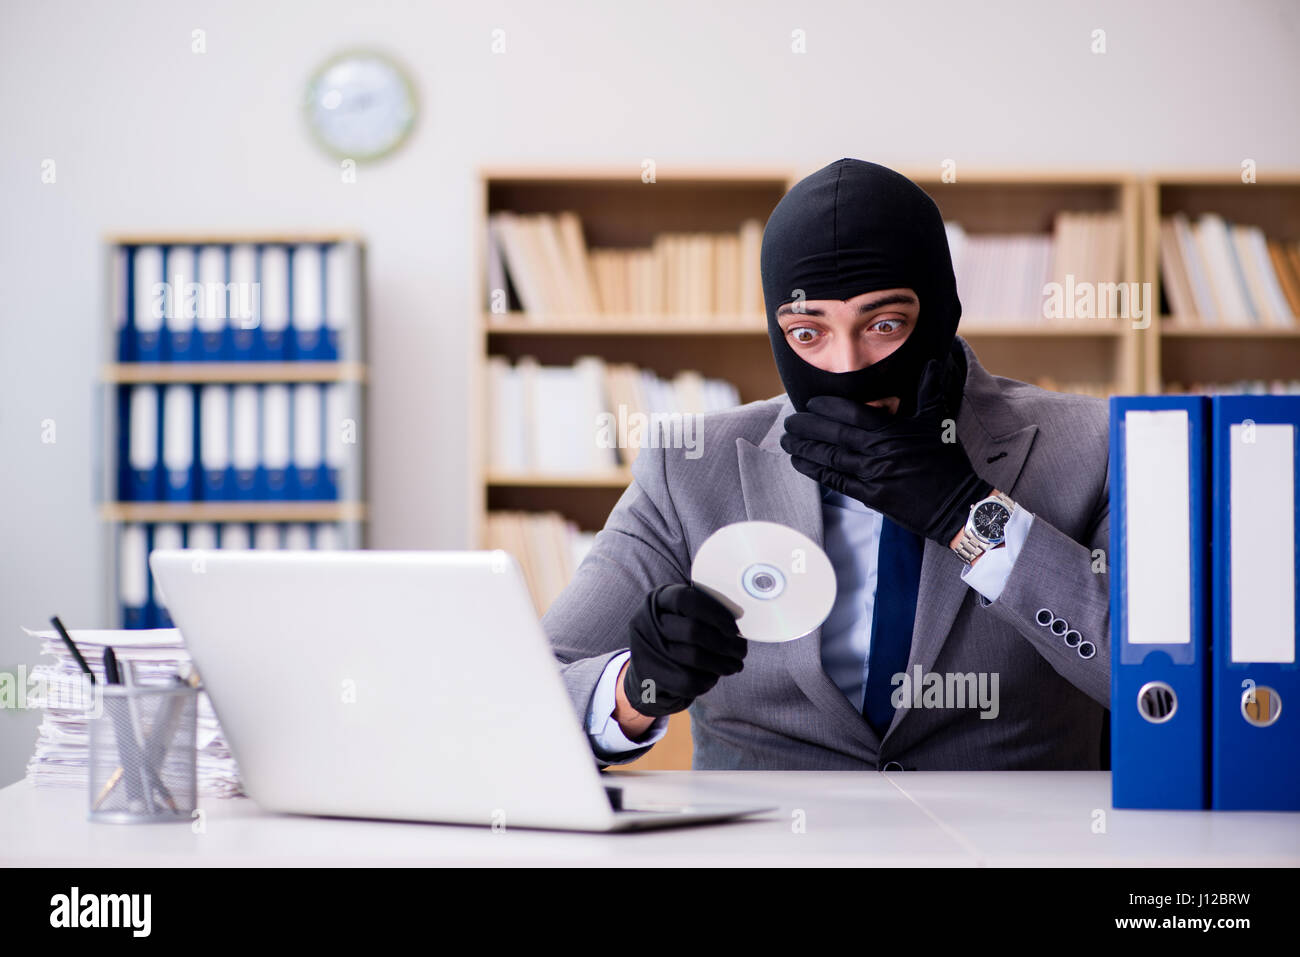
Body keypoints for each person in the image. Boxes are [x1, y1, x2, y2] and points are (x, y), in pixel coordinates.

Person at [542, 158, 1110, 771]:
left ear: (943, 310)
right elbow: (528, 697)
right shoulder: (689, 471)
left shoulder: (1090, 446)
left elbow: (1163, 687)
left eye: (885, 324)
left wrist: (967, 517)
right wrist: (634, 690)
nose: (846, 368)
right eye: (808, 333)